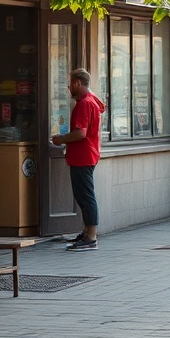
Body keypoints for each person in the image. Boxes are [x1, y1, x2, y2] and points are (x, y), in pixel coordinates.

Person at [50, 68, 106, 251]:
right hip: (87, 155)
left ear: (77, 83)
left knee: (86, 196)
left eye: (70, 84)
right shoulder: (92, 101)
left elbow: (81, 133)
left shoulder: (84, 104)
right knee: (84, 195)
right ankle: (87, 231)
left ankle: (91, 237)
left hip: (83, 156)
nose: (68, 88)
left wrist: (60, 139)